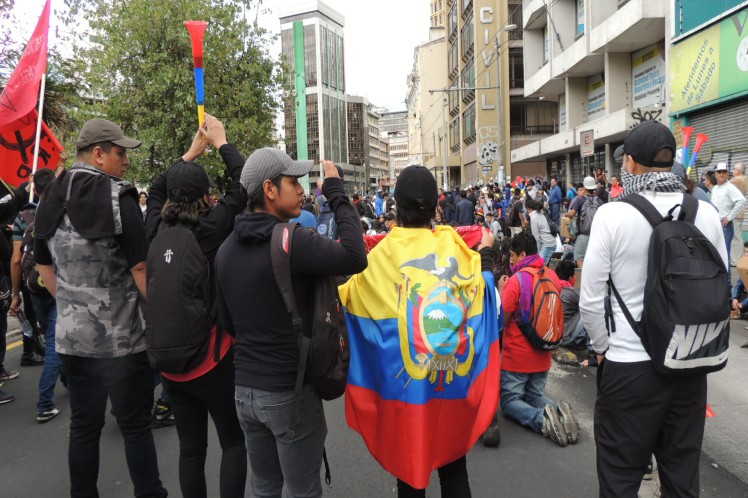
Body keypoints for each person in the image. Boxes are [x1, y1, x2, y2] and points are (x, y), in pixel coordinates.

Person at [580, 121, 727, 498]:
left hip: (629, 365)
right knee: (681, 474)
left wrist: (601, 348)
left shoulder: (613, 216)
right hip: (687, 361)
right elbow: (720, 286)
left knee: (620, 476)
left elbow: (592, 298)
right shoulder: (705, 213)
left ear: (629, 163)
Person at [339, 165, 501, 497]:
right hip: (452, 388)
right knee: (455, 469)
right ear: (435, 205)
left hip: (407, 396)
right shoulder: (456, 247)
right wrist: (485, 255)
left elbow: (349, 299)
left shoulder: (380, 256)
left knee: (411, 475)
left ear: (396, 205)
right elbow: (486, 297)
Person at [215, 155, 366, 498]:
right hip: (289, 391)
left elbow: (225, 321)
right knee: (302, 489)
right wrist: (336, 191)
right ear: (269, 189)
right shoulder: (291, 241)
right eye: (293, 183)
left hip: (245, 391)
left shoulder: (225, 250)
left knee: (264, 487)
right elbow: (356, 256)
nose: (301, 191)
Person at [33, 118, 168, 498]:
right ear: (98, 153)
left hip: (73, 338)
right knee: (136, 427)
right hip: (122, 340)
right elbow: (140, 269)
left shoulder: (51, 196)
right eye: (120, 153)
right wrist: (161, 318)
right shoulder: (119, 197)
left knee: (84, 426)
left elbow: (42, 264)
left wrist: (71, 301)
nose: (125, 161)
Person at [145, 114, 247, 498]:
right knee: (232, 442)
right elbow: (244, 185)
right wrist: (220, 143)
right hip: (211, 360)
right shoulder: (209, 229)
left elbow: (157, 188)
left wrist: (191, 152)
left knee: (191, 449)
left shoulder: (154, 227)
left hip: (169, 366)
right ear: (207, 196)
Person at [500, 231, 578, 447]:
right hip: (544, 352)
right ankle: (559, 412)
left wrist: (501, 289)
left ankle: (541, 420)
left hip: (517, 357)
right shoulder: (551, 275)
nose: (511, 260)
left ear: (522, 254)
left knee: (510, 402)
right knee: (534, 395)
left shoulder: (516, 280)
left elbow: (502, 318)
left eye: (513, 255)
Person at [10, 170, 63, 422]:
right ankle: (44, 403)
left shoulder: (22, 217)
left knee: (52, 335)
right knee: (55, 341)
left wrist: (15, 293)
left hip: (33, 288)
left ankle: (67, 377)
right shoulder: (62, 212)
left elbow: (16, 259)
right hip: (55, 284)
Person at [711, 162, 745, 264]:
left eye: (724, 172)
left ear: (727, 174)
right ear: (715, 174)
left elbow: (741, 200)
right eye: (719, 172)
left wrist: (729, 217)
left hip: (725, 226)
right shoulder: (715, 188)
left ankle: (727, 280)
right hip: (716, 225)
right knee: (718, 255)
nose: (721, 174)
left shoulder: (729, 187)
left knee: (724, 256)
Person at [526, 197, 556, 264]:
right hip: (552, 241)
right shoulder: (541, 213)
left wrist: (538, 252)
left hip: (546, 244)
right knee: (544, 266)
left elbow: (536, 237)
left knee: (539, 265)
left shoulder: (533, 218)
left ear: (528, 208)